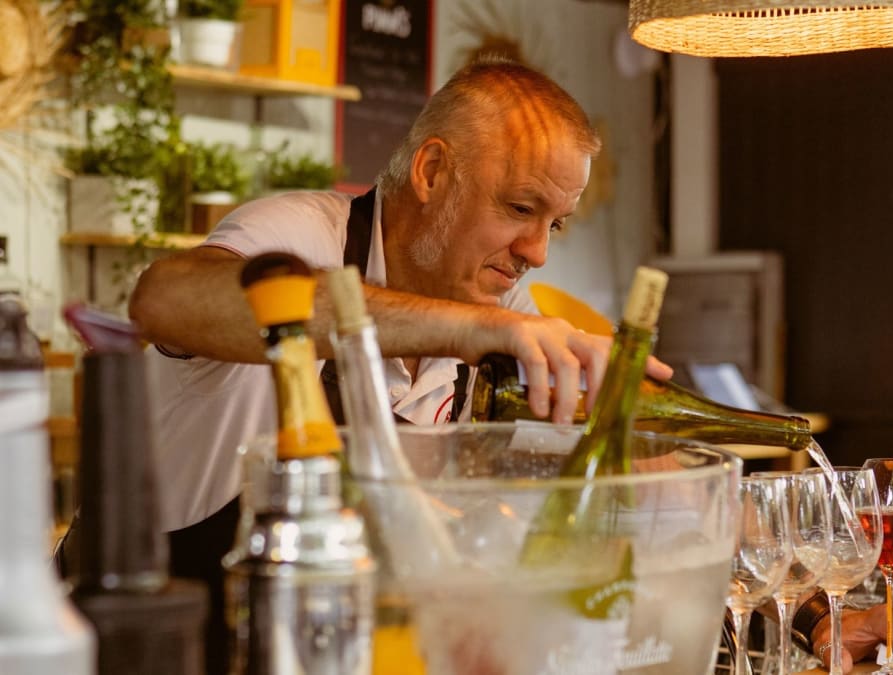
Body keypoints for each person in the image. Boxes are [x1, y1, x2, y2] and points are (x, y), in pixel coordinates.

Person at [123, 56, 671, 675]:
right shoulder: (299, 235)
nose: (538, 253)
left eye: (556, 224)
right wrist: (474, 328)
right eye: (521, 208)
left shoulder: (494, 298)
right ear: (432, 172)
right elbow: (162, 300)